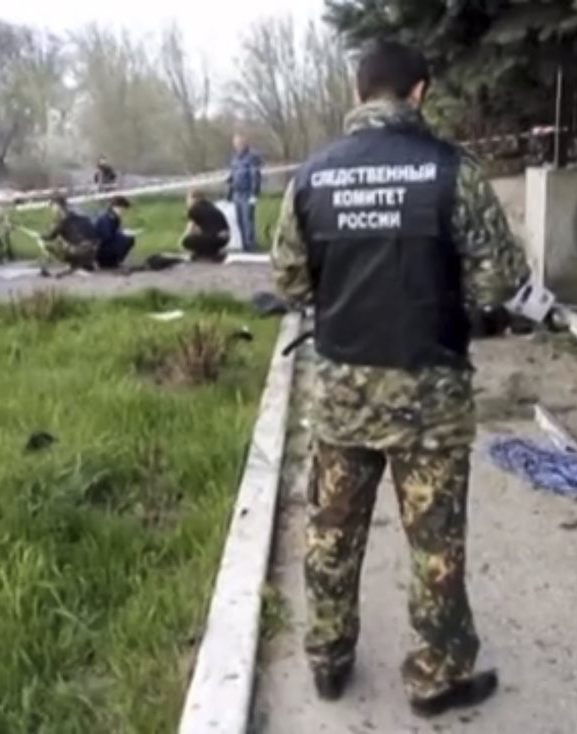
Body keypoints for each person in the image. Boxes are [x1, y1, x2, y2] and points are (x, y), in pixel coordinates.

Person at [270, 39, 529, 716]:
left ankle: (327, 659)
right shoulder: (453, 172)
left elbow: (289, 278)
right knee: (435, 543)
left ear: (360, 94)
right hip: (429, 398)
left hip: (342, 397)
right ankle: (435, 675)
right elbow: (501, 278)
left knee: (331, 532)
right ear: (419, 93)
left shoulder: (313, 176)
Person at [40, 194, 99, 273]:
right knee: (72, 241)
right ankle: (85, 263)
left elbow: (49, 236)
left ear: (57, 206)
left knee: (50, 245)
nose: (52, 209)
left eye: (52, 206)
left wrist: (41, 236)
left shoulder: (60, 219)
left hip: (79, 251)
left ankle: (46, 269)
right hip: (93, 251)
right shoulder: (77, 214)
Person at [226, 133, 263, 252]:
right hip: (237, 193)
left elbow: (255, 176)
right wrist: (230, 188)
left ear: (245, 143)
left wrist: (254, 193)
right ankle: (244, 245)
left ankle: (251, 245)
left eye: (239, 143)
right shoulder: (235, 158)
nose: (237, 145)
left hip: (247, 193)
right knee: (240, 220)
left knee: (248, 220)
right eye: (235, 143)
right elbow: (233, 174)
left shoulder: (252, 157)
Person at [181, 189, 230, 262]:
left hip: (215, 238)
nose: (187, 202)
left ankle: (205, 253)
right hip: (225, 238)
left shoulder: (194, 209)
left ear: (194, 199)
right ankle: (212, 251)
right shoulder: (210, 205)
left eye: (188, 199)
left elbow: (191, 229)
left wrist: (182, 241)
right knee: (202, 236)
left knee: (187, 241)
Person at [93, 196, 135, 269]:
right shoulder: (107, 218)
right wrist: (121, 234)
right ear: (117, 208)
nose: (124, 212)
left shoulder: (114, 218)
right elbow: (106, 236)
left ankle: (113, 261)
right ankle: (107, 262)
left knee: (128, 238)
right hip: (100, 249)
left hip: (105, 246)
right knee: (127, 239)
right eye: (123, 209)